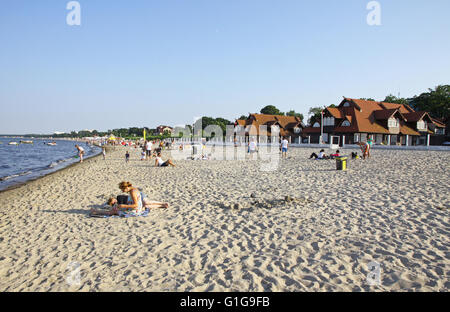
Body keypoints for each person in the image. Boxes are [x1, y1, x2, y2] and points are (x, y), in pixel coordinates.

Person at [90, 182, 169, 217]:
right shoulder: (134, 189)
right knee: (114, 209)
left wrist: (123, 206)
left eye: (123, 190)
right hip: (138, 209)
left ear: (126, 187)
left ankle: (96, 211)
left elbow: (135, 205)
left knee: (113, 211)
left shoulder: (132, 192)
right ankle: (96, 211)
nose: (122, 191)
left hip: (135, 211)